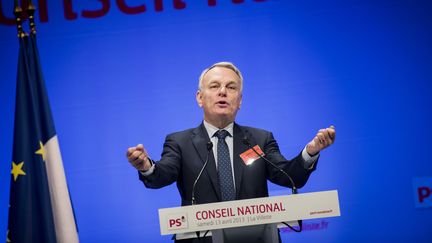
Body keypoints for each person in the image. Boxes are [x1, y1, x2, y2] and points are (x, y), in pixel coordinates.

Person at [126, 62, 336, 242]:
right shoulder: (179, 141)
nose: (223, 92)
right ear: (200, 98)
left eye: (231, 87)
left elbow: (289, 176)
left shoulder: (259, 139)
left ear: (240, 100)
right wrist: (147, 167)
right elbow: (164, 174)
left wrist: (310, 152)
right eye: (214, 86)